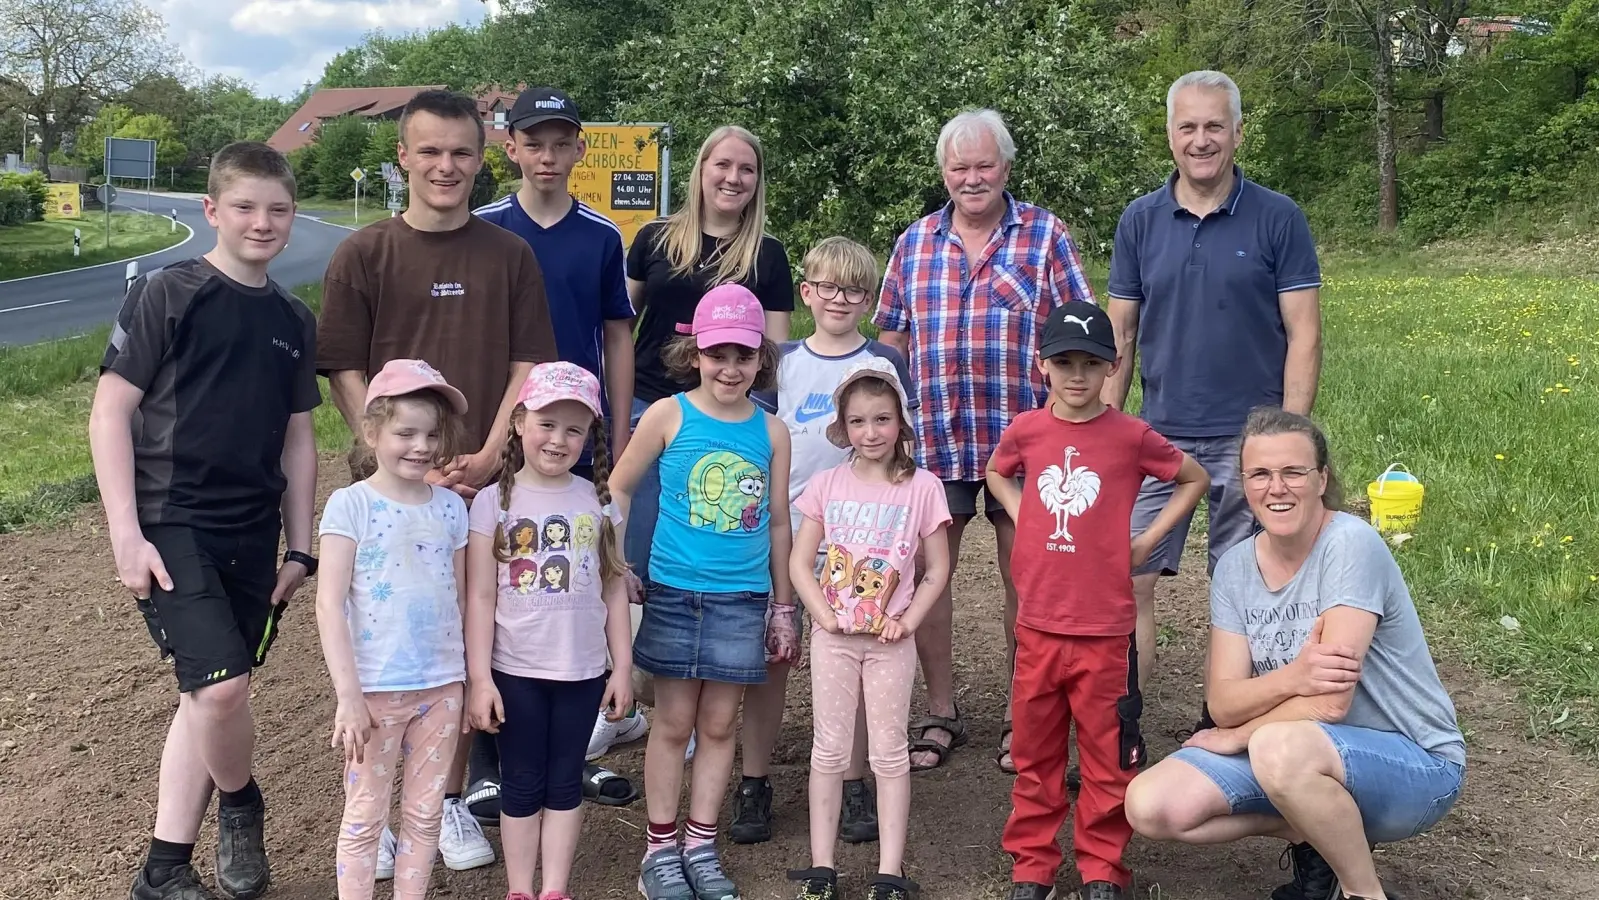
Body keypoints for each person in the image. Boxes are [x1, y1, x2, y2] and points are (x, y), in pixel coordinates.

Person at [318, 88, 559, 873]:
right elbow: (344, 366)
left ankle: (447, 801)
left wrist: (491, 451)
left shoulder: (508, 255)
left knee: (456, 639)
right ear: (403, 157)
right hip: (390, 489)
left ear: (481, 156)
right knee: (379, 637)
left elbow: (529, 362)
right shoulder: (365, 253)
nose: (446, 166)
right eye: (430, 151)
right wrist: (388, 450)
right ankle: (374, 809)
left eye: (460, 152)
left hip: (480, 481)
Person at [88, 140, 319, 900]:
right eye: (246, 207)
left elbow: (297, 435)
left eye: (278, 209)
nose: (263, 222)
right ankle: (244, 802)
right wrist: (125, 531)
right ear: (212, 210)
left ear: (291, 216)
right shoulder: (168, 292)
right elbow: (110, 411)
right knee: (222, 690)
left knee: (204, 694)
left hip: (253, 532)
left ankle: (162, 869)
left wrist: (302, 546)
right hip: (170, 521)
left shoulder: (292, 317)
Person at [1123, 408, 1466, 900]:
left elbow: (1330, 705)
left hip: (1414, 762)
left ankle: (1363, 892)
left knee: (1276, 747)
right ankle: (1312, 828)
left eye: (1293, 472)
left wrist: (1240, 732)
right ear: (1244, 482)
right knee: (1151, 804)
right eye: (1260, 474)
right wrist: (1294, 676)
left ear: (1321, 478)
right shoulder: (1237, 568)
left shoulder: (1350, 545)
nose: (1276, 488)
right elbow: (1221, 701)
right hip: (1297, 756)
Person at [874, 108, 1096, 773]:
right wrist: (888, 425)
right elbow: (890, 337)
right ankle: (939, 711)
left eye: (983, 165)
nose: (971, 179)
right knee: (925, 585)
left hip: (1023, 443)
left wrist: (1079, 427)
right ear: (942, 171)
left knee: (1026, 583)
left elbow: (1078, 333)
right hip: (934, 441)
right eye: (958, 167)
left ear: (1005, 166)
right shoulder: (913, 242)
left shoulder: (1044, 236)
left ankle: (1023, 716)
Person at [1103, 70, 1323, 715]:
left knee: (1246, 583)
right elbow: (1120, 333)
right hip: (1159, 433)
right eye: (1188, 127)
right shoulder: (1140, 221)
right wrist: (1104, 434)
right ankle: (1123, 720)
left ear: (1237, 134)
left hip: (1250, 437)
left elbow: (1304, 334)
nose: (1201, 140)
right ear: (1170, 136)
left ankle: (1230, 719)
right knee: (1128, 574)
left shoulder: (1279, 217)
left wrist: (1286, 439)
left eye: (1214, 126)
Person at [984, 302, 1208, 900]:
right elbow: (997, 471)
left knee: (1109, 760)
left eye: (1091, 363)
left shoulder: (1131, 435)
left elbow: (1193, 478)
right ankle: (1033, 866)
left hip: (1106, 632)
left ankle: (1102, 868)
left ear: (1112, 367)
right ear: (1042, 367)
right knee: (1035, 755)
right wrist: (1025, 510)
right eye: (1064, 363)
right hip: (1037, 628)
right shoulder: (1027, 430)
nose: (1077, 376)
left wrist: (1147, 543)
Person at [468, 85, 644, 819]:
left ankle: (570, 748)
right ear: (509, 147)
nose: (546, 155)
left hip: (577, 436)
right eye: (531, 141)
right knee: (493, 581)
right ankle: (488, 761)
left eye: (559, 142)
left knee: (573, 578)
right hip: (504, 434)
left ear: (579, 149)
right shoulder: (482, 229)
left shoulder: (601, 235)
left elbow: (616, 333)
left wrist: (622, 431)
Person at [608, 284, 793, 900]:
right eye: (718, 355)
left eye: (744, 356)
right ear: (695, 352)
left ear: (760, 359)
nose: (730, 369)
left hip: (742, 598)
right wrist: (618, 563)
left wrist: (783, 604)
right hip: (674, 591)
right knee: (673, 721)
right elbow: (621, 486)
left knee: (719, 724)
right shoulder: (668, 415)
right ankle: (659, 851)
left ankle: (701, 844)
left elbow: (777, 521)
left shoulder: (772, 431)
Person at [737, 236, 911, 846]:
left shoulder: (884, 363)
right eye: (827, 288)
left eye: (854, 290)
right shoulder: (781, 361)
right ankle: (754, 779)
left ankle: (857, 778)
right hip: (788, 529)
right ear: (807, 292)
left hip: (862, 541)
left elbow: (899, 449)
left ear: (869, 300)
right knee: (773, 654)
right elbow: (757, 438)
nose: (840, 299)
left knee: (857, 658)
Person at [465, 362, 638, 900]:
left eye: (574, 429)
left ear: (590, 437)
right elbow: (479, 595)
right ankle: (521, 889)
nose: (558, 439)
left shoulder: (596, 499)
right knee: (521, 782)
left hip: (583, 670)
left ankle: (555, 889)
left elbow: (613, 590)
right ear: (518, 422)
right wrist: (479, 678)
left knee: (565, 782)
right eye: (546, 423)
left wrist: (623, 669)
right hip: (513, 671)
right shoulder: (493, 501)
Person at [786, 358, 953, 900]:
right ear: (843, 427)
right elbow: (799, 560)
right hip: (835, 639)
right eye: (857, 422)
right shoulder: (827, 484)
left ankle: (889, 869)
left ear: (900, 423)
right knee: (828, 751)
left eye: (881, 419)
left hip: (890, 644)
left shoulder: (922, 487)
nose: (870, 432)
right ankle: (822, 866)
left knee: (888, 751)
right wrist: (821, 613)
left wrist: (907, 620)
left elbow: (938, 568)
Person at [616, 123, 793, 609]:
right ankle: (634, 667)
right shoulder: (654, 238)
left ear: (757, 181)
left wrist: (769, 419)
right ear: (700, 170)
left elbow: (778, 351)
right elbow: (619, 327)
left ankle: (706, 650)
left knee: (709, 529)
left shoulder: (768, 254)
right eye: (723, 164)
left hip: (730, 416)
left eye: (747, 169)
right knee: (640, 536)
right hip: (649, 402)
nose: (733, 177)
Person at [313, 359, 471, 900]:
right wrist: (348, 695)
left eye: (431, 434)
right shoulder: (350, 505)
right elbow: (329, 605)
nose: (421, 446)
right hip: (375, 690)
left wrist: (470, 678)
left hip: (443, 687)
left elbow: (464, 596)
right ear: (372, 430)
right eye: (405, 432)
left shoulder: (452, 509)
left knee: (426, 815)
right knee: (364, 817)